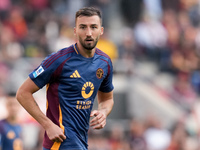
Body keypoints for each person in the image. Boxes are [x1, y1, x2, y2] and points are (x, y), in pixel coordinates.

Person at [16, 7, 114, 150]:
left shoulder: (104, 62)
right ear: (75, 31)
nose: (88, 33)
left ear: (101, 30)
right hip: (60, 142)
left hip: (81, 142)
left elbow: (107, 99)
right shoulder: (58, 60)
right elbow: (23, 93)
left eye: (93, 27)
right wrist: (48, 125)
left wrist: (103, 112)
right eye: (83, 27)